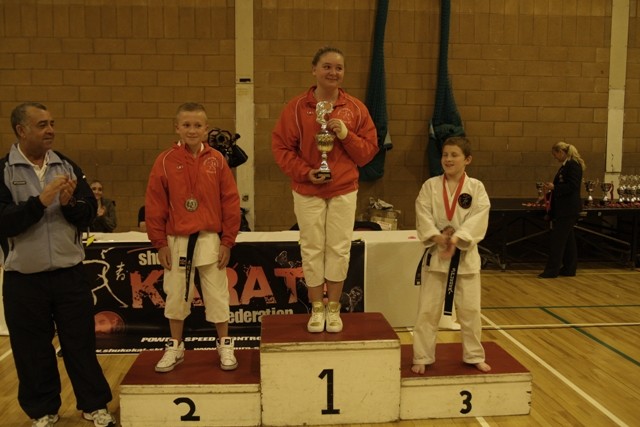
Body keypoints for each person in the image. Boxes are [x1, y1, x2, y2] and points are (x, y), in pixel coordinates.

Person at [0, 102, 116, 427]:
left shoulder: (67, 165)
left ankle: (94, 405)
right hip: (23, 278)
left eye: (51, 123)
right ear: (21, 130)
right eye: (41, 125)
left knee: (81, 344)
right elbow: (4, 222)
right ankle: (43, 411)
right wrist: (40, 201)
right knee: (32, 350)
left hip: (69, 274)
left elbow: (88, 213)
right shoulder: (4, 170)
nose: (50, 130)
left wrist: (69, 204)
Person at [271, 46, 378, 333]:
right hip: (307, 189)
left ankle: (334, 308)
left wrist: (346, 134)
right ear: (314, 70)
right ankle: (317, 307)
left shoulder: (356, 109)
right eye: (327, 67)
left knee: (339, 249)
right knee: (312, 248)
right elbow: (281, 148)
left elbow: (367, 153)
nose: (333, 72)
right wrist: (306, 173)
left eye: (338, 68)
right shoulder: (296, 108)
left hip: (343, 189)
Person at [145, 102, 241, 372]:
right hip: (177, 239)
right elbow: (155, 204)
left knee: (217, 294)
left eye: (197, 125)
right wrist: (159, 243)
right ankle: (176, 346)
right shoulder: (165, 160)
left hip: (210, 237)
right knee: (176, 296)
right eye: (186, 125)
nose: (192, 130)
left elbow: (230, 201)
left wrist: (227, 241)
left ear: (206, 129)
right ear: (177, 127)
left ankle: (224, 343)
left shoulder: (217, 160)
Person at [411, 136, 491, 374]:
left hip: (465, 259)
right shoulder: (430, 186)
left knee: (470, 311)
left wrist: (458, 238)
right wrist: (437, 237)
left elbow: (479, 217)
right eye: (445, 155)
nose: (448, 159)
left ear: (467, 159)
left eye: (454, 155)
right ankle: (422, 356)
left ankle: (474, 355)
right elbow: (422, 213)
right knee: (428, 310)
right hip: (437, 255)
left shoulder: (476, 188)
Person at [538, 141, 586, 278]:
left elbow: (572, 186)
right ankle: (569, 268)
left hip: (568, 209)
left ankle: (551, 270)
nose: (555, 158)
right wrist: (548, 195)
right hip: (564, 208)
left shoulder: (573, 165)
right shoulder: (565, 166)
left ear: (561, 152)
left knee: (557, 241)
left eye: (555, 154)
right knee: (568, 241)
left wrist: (554, 187)